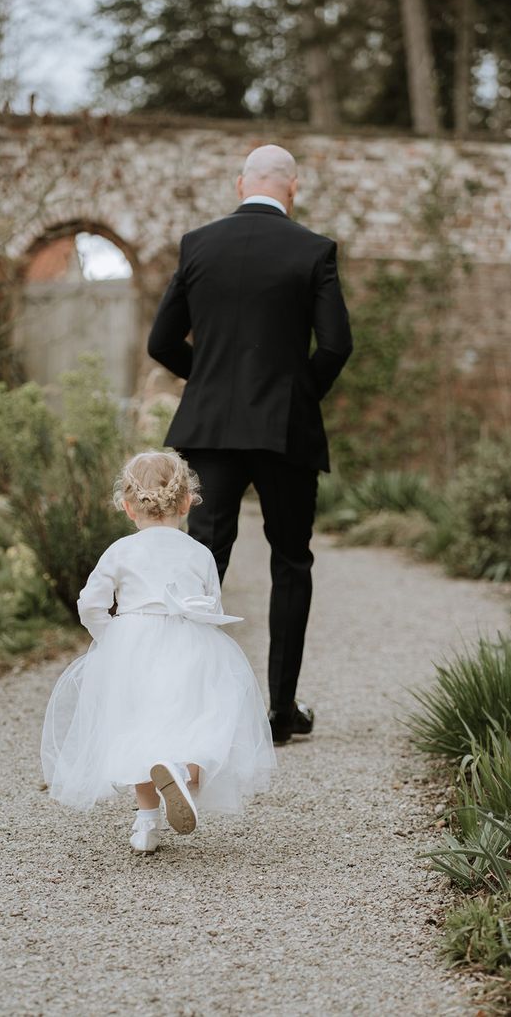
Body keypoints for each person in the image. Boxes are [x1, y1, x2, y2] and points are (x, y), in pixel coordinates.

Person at [147, 144, 353, 745]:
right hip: (284, 431)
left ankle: (189, 706)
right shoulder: (313, 250)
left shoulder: (198, 245)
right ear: (293, 188)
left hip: (209, 432)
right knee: (291, 561)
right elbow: (336, 345)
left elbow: (162, 342)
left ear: (241, 184)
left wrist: (210, 383)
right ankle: (282, 714)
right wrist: (293, 396)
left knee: (203, 559)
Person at [40, 450, 276, 854]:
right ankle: (183, 772)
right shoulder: (199, 552)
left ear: (129, 507)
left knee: (137, 729)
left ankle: (146, 823)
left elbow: (89, 604)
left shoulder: (119, 551)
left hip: (133, 646)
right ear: (186, 503)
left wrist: (111, 637)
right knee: (203, 721)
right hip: (190, 645)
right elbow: (211, 607)